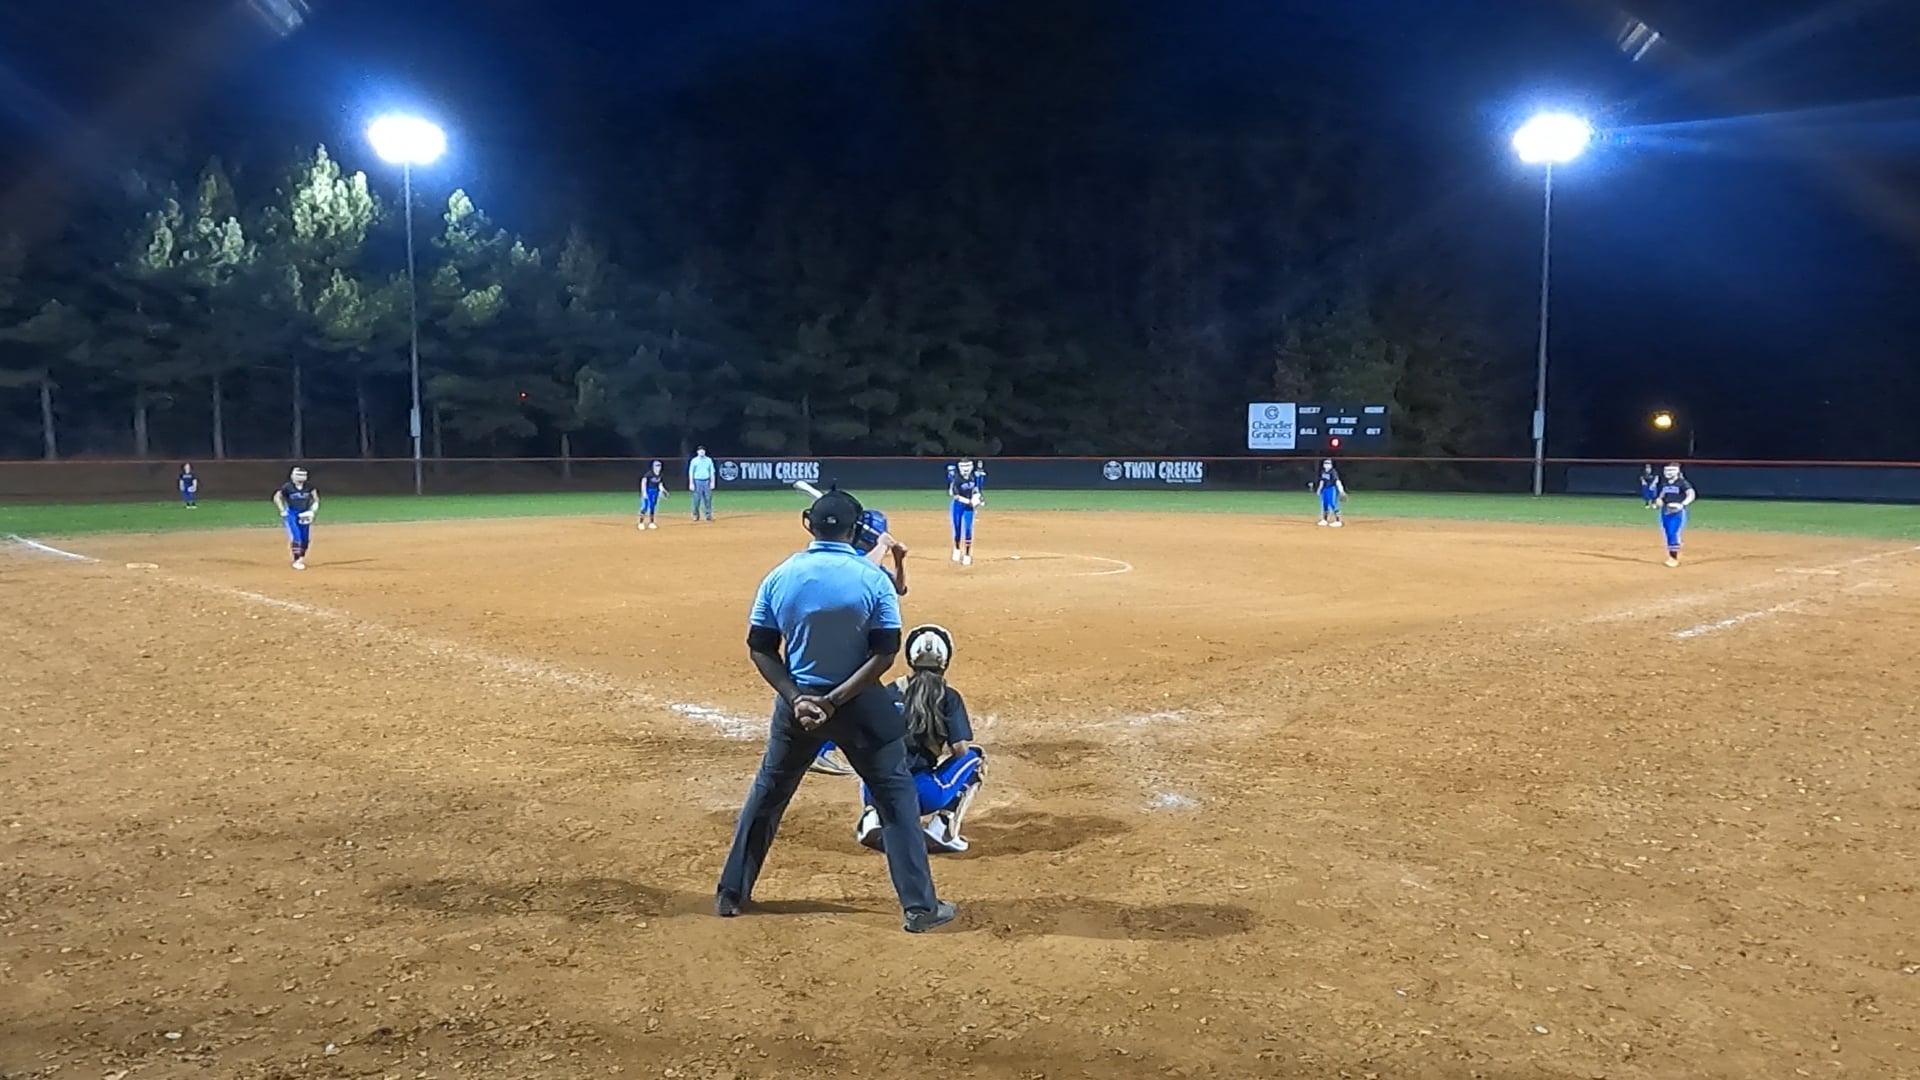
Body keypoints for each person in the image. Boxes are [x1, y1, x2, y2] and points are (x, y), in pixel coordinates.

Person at [717, 485, 957, 934]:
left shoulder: (780, 575)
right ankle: (920, 908)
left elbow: (761, 648)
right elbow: (885, 654)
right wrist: (835, 700)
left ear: (808, 524)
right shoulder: (873, 579)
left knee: (768, 794)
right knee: (895, 798)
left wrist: (797, 698)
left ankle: (732, 893)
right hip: (860, 704)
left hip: (798, 706)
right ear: (857, 530)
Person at [854, 624, 985, 854]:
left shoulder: (891, 691)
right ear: (945, 661)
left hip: (881, 790)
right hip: (924, 797)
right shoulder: (948, 697)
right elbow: (960, 750)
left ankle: (872, 815)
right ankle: (942, 826)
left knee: (875, 754)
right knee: (975, 757)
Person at [810, 507, 909, 778]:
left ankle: (830, 745)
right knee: (845, 691)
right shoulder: (850, 558)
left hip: (860, 637)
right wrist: (883, 546)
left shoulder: (869, 559)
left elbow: (899, 588)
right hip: (844, 638)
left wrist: (899, 560)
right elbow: (860, 570)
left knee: (851, 692)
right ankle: (821, 750)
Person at [272, 467, 319, 571]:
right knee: (296, 536)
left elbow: (316, 499)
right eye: (298, 475)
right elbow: (277, 497)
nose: (300, 477)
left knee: (305, 538)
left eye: (303, 475)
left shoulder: (309, 487)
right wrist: (282, 510)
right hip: (292, 514)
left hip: (304, 514)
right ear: (293, 476)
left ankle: (301, 557)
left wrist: (312, 511)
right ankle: (297, 560)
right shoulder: (288, 487)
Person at [1652, 462, 1696, 567]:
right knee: (1667, 533)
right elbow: (1662, 495)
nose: (1668, 473)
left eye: (1671, 470)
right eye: (1667, 470)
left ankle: (1673, 558)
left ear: (1677, 471)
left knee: (1672, 533)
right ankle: (1673, 552)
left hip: (1676, 512)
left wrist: (1682, 504)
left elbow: (1691, 494)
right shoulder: (1665, 483)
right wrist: (1658, 500)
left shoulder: (1682, 483)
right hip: (1665, 511)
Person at [948, 460, 983, 565]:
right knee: (957, 528)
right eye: (963, 466)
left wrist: (977, 497)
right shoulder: (957, 479)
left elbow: (975, 490)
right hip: (958, 506)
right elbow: (955, 495)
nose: (966, 469)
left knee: (968, 529)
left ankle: (967, 554)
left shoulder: (972, 478)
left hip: (969, 508)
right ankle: (957, 549)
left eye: (968, 466)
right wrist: (969, 501)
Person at [1315, 459, 1347, 527]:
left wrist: (1341, 490)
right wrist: (1319, 489)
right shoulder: (1323, 471)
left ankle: (1338, 521)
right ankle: (1324, 520)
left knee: (1333, 504)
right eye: (1325, 463)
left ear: (1331, 465)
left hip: (1331, 489)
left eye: (1328, 463)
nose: (1326, 465)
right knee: (1324, 504)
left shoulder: (1333, 472)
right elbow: (1322, 481)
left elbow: (1337, 481)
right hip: (1325, 489)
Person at [688, 446, 716, 522]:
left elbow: (712, 472)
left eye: (703, 451)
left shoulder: (709, 460)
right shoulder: (694, 460)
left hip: (707, 481)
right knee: (696, 499)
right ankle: (695, 515)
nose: (702, 452)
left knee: (708, 499)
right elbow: (691, 472)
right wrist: (691, 483)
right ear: (697, 452)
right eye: (700, 451)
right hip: (697, 481)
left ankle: (708, 515)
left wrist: (712, 482)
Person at [638, 460, 668, 530]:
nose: (658, 467)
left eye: (659, 466)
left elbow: (660, 484)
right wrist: (644, 492)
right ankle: (641, 523)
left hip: (655, 492)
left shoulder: (660, 474)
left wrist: (663, 490)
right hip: (648, 491)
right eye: (657, 466)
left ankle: (651, 522)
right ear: (653, 466)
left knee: (652, 507)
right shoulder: (649, 474)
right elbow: (643, 482)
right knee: (644, 507)